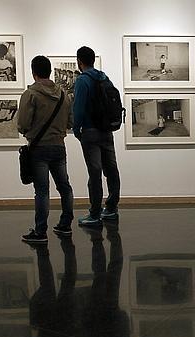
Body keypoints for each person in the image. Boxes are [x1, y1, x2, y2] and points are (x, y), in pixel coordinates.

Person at [17, 56, 74, 242]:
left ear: (33, 72)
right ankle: (65, 225)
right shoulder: (64, 94)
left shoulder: (30, 94)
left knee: (42, 191)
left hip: (39, 149)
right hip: (59, 146)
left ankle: (40, 232)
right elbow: (71, 122)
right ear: (50, 71)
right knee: (64, 187)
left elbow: (23, 124)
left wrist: (28, 130)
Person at [73, 46, 121, 226]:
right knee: (111, 169)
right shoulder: (104, 77)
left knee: (95, 173)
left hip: (90, 131)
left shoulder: (82, 81)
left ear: (80, 61)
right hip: (107, 130)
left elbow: (78, 108)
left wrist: (77, 129)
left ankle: (94, 214)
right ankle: (111, 208)